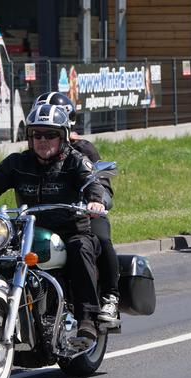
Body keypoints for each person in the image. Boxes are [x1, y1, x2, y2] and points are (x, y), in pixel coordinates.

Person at [0, 104, 116, 343]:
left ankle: (87, 319)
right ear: (30, 137)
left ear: (63, 136)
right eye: (37, 134)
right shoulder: (17, 163)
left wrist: (96, 201)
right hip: (28, 233)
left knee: (81, 248)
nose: (43, 140)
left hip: (69, 230)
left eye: (50, 134)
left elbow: (93, 183)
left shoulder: (76, 161)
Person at [34, 92, 120, 323]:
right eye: (38, 129)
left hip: (84, 214)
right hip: (43, 217)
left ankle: (110, 296)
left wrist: (97, 201)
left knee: (99, 239)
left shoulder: (83, 150)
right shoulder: (29, 157)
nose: (44, 136)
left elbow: (100, 184)